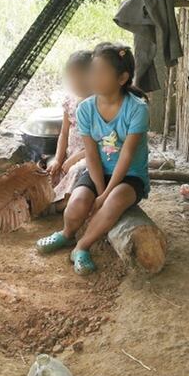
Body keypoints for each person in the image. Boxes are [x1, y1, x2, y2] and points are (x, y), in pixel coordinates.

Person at [35, 43, 150, 275]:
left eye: (101, 72)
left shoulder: (137, 109)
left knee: (114, 200)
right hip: (98, 170)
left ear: (122, 78)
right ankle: (67, 234)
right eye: (92, 71)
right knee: (77, 203)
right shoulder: (85, 109)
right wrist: (98, 189)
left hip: (130, 175)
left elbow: (126, 156)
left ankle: (81, 246)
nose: (93, 78)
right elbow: (92, 155)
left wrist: (105, 195)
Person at [47, 50, 93, 206]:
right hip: (69, 156)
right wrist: (59, 159)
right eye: (71, 78)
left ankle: (56, 206)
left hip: (88, 157)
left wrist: (74, 159)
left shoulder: (99, 104)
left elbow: (101, 143)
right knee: (50, 170)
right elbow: (64, 133)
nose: (75, 83)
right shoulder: (70, 101)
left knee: (77, 171)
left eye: (79, 78)